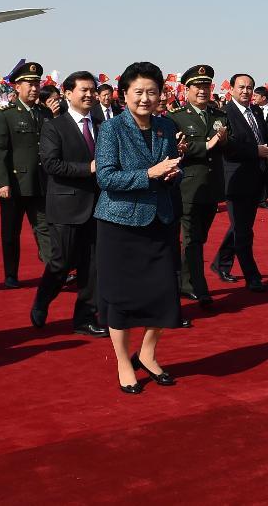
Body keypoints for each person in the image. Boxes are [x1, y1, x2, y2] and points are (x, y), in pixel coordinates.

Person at [94, 61, 183, 394]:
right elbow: (106, 177)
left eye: (152, 92)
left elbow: (174, 168)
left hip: (159, 219)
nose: (146, 98)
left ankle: (147, 353)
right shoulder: (111, 129)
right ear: (124, 95)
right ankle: (122, 361)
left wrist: (174, 174)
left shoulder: (165, 126)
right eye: (139, 92)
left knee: (164, 294)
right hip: (120, 225)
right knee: (122, 299)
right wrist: (150, 174)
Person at [30, 71, 108, 337]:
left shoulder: (102, 124)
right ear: (68, 93)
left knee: (94, 265)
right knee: (61, 263)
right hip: (66, 206)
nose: (89, 95)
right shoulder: (55, 126)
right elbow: (51, 164)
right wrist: (89, 167)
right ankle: (42, 299)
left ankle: (85, 317)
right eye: (83, 90)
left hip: (99, 205)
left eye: (92, 90)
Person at [168, 65, 228, 307]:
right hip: (188, 189)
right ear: (187, 89)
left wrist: (223, 142)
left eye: (206, 86)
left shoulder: (219, 116)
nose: (202, 90)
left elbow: (227, 144)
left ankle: (185, 280)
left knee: (200, 238)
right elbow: (175, 151)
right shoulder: (176, 117)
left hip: (212, 188)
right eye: (197, 86)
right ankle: (195, 286)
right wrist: (207, 145)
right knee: (191, 239)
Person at [0, 61, 53, 288]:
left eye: (37, 83)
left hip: (40, 182)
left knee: (45, 228)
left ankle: (53, 270)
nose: (34, 88)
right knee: (11, 232)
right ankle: (11, 274)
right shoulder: (4, 115)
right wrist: (2, 182)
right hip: (15, 183)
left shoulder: (45, 113)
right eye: (29, 83)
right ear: (17, 87)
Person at [211, 73, 268, 292]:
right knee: (244, 230)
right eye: (241, 87)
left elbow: (262, 138)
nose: (246, 91)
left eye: (250, 88)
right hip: (235, 178)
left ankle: (221, 262)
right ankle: (252, 276)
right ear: (231, 89)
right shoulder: (224, 114)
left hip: (255, 176)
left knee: (241, 226)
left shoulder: (255, 111)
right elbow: (227, 147)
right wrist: (256, 151)